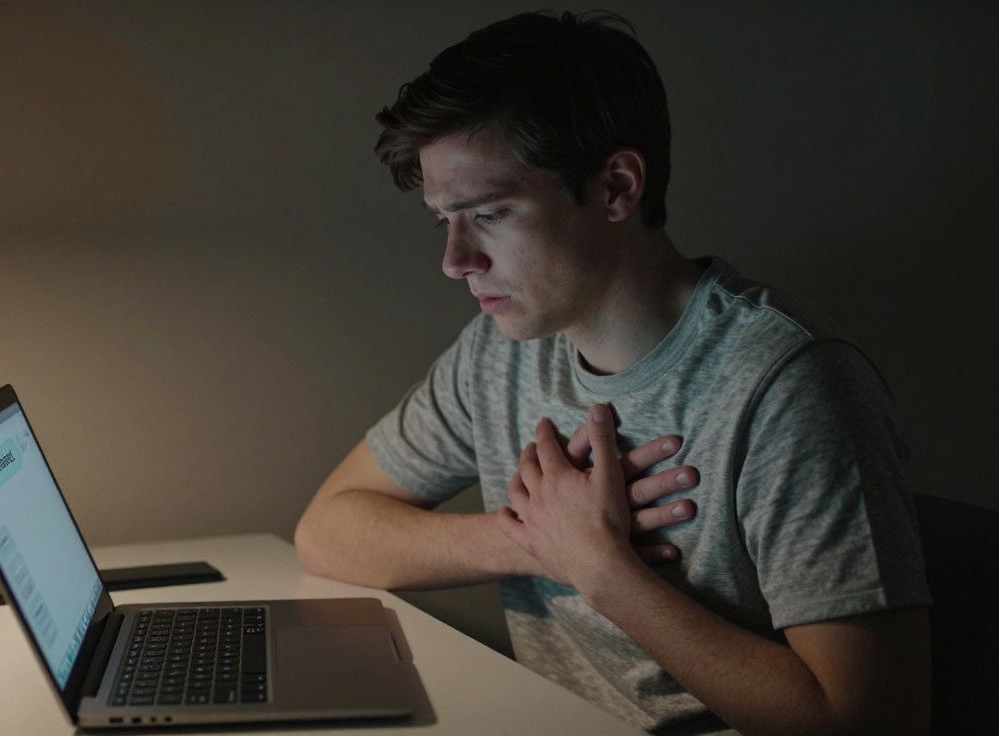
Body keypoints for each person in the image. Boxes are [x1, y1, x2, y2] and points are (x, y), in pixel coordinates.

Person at [294, 10, 932, 735]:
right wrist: (534, 540)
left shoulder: (787, 383)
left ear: (617, 188)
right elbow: (328, 531)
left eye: (491, 214)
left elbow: (874, 722)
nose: (456, 260)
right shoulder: (499, 350)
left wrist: (605, 572)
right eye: (446, 220)